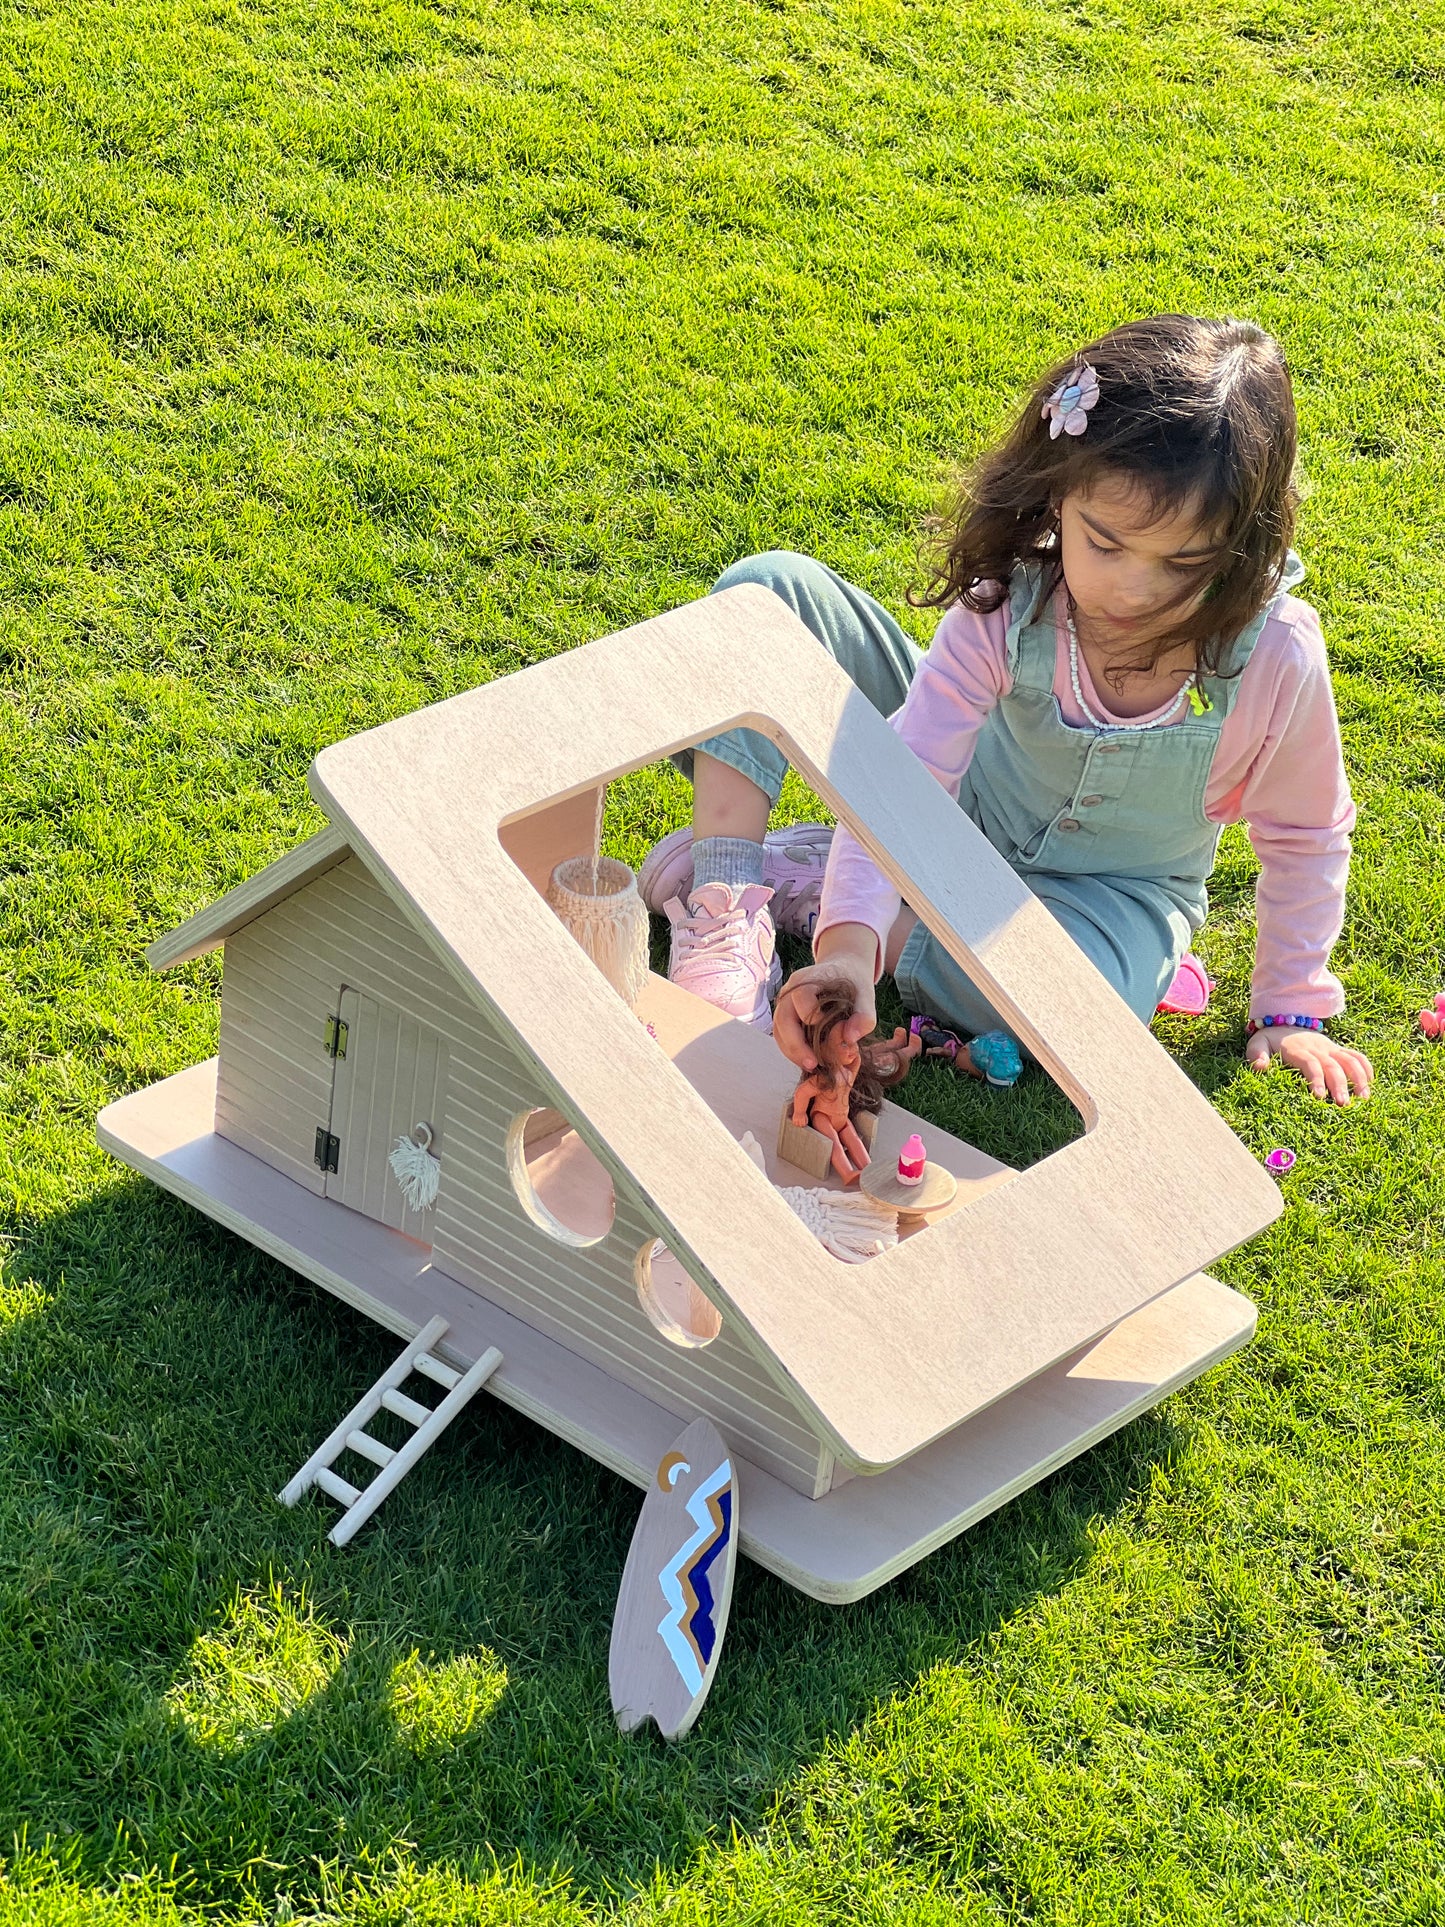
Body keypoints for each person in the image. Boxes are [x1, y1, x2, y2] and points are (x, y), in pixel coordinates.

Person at [639, 315, 1372, 1106]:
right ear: (1059, 493)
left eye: (1183, 564)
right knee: (768, 594)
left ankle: (830, 880)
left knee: (1081, 1013)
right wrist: (848, 955)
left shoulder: (1271, 655)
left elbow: (1305, 830)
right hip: (953, 797)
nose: (1134, 588)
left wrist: (1290, 1004)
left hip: (1110, 897)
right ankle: (727, 886)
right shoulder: (1012, 605)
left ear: (1242, 544)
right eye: (1105, 543)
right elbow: (910, 776)